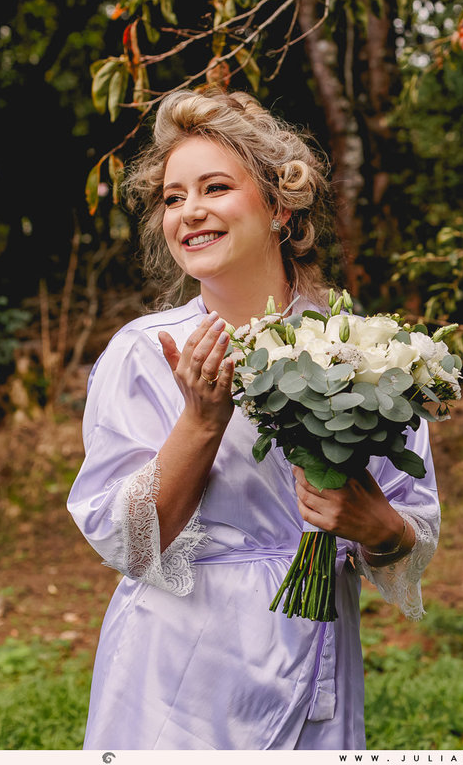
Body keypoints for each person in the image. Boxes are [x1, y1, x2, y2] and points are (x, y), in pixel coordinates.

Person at [67, 85, 441, 750]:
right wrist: (201, 422)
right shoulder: (142, 353)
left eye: (214, 187)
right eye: (173, 197)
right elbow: (128, 542)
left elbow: (412, 527)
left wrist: (375, 524)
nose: (190, 212)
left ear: (277, 204)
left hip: (316, 658)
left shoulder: (366, 352)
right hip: (174, 675)